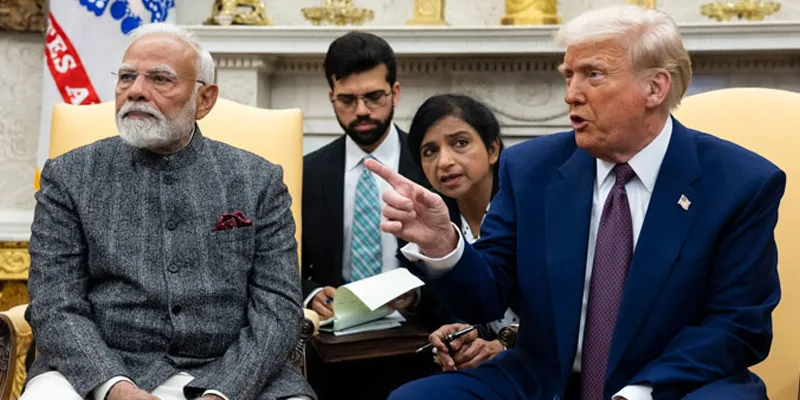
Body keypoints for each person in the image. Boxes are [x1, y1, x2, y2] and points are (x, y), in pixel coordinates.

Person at [368, 5, 785, 400]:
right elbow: (488, 297)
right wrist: (445, 245)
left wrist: (641, 392)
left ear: (655, 87)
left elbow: (738, 326)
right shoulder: (531, 169)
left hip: (671, 383)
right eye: (568, 75)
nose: (571, 94)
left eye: (593, 75)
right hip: (545, 380)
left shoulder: (739, 183)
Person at [21, 23, 314, 400]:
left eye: (160, 79)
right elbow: (54, 303)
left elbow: (278, 307)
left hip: (229, 371)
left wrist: (223, 392)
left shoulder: (258, 180)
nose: (136, 91)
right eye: (126, 77)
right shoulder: (69, 175)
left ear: (204, 100)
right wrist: (115, 388)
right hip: (101, 369)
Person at [300, 31, 441, 399]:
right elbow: (283, 263)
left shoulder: (433, 167)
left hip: (418, 341)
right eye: (347, 100)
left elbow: (461, 258)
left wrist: (417, 296)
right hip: (331, 345)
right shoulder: (307, 172)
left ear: (395, 93)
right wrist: (310, 294)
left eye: (374, 97)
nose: (361, 110)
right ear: (331, 97)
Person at [406, 94, 519, 371]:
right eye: (430, 151)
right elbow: (445, 306)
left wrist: (504, 343)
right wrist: (456, 335)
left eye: (460, 143)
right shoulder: (432, 222)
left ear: (492, 149)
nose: (444, 161)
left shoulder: (528, 205)